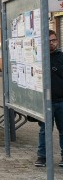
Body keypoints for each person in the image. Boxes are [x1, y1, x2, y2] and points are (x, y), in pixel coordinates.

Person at [35, 30, 63, 167]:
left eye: (54, 40)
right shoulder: (39, 58)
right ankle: (42, 157)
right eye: (49, 41)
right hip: (45, 102)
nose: (52, 43)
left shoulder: (61, 57)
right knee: (44, 131)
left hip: (61, 101)